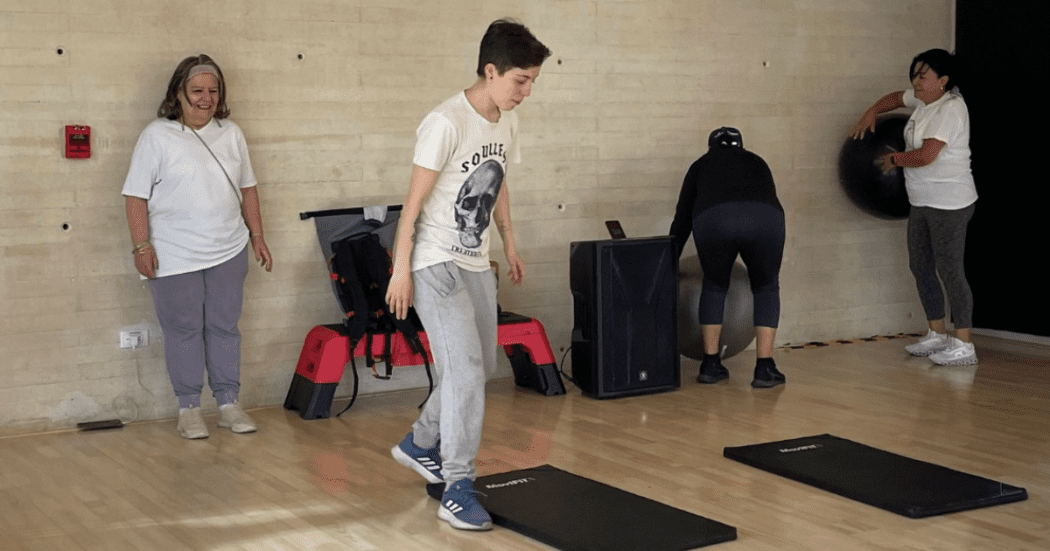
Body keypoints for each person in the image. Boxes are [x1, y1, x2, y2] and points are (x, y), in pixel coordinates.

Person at [385, 19, 551, 531]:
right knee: (464, 375)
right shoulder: (446, 122)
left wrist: (510, 243)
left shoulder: (505, 119)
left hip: (475, 262)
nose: (526, 91)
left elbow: (499, 183)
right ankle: (457, 486)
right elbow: (410, 206)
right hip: (434, 261)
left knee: (479, 370)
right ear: (491, 69)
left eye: (532, 82)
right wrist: (400, 270)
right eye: (520, 80)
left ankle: (419, 442)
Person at [122, 54, 273, 440]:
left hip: (229, 248)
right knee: (183, 329)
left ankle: (228, 403)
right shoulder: (156, 135)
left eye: (212, 91)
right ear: (178, 93)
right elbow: (135, 197)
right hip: (173, 253)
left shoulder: (231, 133)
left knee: (224, 327)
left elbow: (248, 189)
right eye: (196, 91)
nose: (205, 99)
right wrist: (142, 246)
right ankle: (188, 408)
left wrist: (257, 236)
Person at [850, 49, 978, 366]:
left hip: (950, 203)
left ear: (943, 81)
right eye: (915, 74)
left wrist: (894, 159)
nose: (916, 81)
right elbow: (895, 97)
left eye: (924, 75)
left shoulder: (951, 108)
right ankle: (937, 334)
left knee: (950, 271)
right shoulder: (924, 102)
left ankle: (964, 343)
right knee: (920, 266)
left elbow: (926, 155)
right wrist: (872, 111)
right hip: (921, 201)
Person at [669, 127, 787, 388]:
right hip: (765, 219)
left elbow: (682, 218)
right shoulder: (757, 161)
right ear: (741, 146)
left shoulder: (700, 165)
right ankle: (765, 367)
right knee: (767, 287)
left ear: (711, 147)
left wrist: (669, 261)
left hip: (715, 220)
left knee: (714, 284)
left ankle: (710, 364)